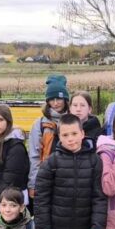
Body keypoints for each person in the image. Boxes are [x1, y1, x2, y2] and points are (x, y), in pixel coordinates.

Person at [28, 74, 69, 202]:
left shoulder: (73, 121)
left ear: (66, 100)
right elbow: (34, 156)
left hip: (69, 179)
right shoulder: (39, 124)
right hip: (46, 178)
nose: (55, 103)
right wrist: (33, 184)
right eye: (52, 99)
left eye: (59, 98)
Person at [0, 104, 29, 212]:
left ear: (8, 121)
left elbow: (11, 175)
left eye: (1, 120)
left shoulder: (16, 146)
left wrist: (0, 199)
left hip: (12, 200)